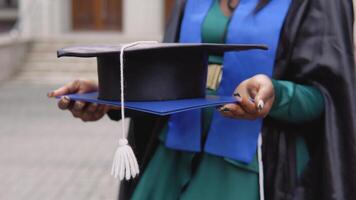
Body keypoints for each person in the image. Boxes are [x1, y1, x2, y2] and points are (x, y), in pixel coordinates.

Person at [48, 0, 356, 199]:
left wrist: (278, 93)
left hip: (250, 168)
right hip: (172, 160)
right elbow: (170, 76)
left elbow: (327, 98)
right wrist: (109, 95)